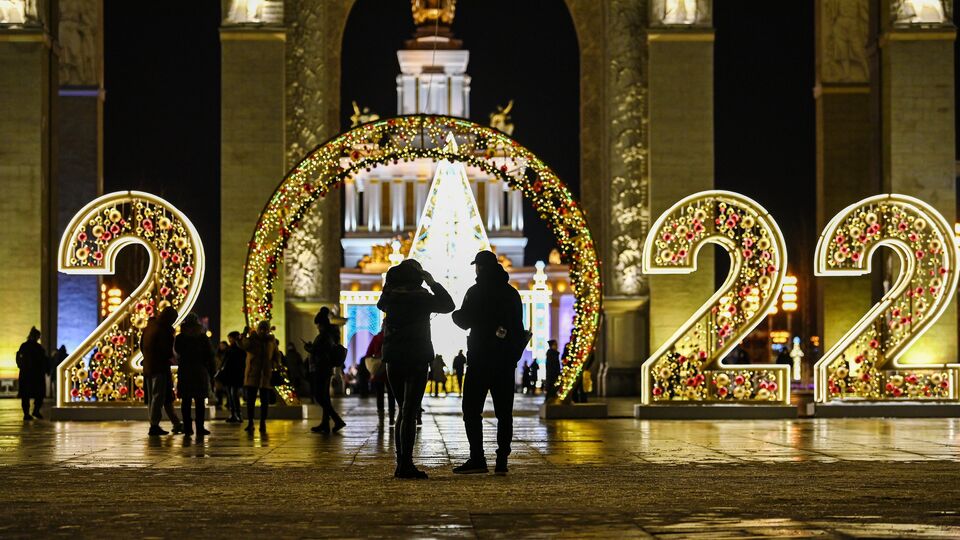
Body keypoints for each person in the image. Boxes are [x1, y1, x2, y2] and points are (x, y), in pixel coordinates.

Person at [377, 259, 454, 479]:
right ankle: (405, 465)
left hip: (393, 358)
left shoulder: (390, 299)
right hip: (416, 357)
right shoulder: (422, 299)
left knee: (403, 410)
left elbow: (380, 303)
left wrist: (388, 285)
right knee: (409, 412)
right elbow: (448, 305)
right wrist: (432, 282)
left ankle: (401, 463)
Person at [452, 250, 526, 476]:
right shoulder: (511, 293)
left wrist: (456, 315)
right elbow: (518, 327)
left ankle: (477, 458)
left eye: (477, 266)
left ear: (480, 268)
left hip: (480, 359)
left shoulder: (476, 292)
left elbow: (464, 320)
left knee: (471, 410)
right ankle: (502, 459)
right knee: (505, 413)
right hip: (504, 362)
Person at [141, 308, 184, 436]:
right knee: (158, 396)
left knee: (155, 397)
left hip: (149, 366)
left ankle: (170, 423)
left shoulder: (149, 328)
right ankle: (154, 425)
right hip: (159, 367)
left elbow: (141, 346)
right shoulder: (164, 330)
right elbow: (167, 351)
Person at [306, 307, 346, 434]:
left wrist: (309, 348)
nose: (317, 327)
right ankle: (325, 424)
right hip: (326, 368)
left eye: (318, 325)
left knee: (319, 396)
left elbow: (320, 351)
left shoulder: (324, 336)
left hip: (321, 368)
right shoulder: (330, 334)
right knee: (325, 397)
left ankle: (336, 419)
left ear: (321, 324)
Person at [174, 313, 215, 437]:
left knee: (185, 401)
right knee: (200, 401)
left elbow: (178, 351)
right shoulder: (203, 338)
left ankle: (187, 427)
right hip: (199, 371)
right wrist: (212, 372)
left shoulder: (180, 337)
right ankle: (200, 427)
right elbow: (210, 355)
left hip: (185, 371)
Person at [241, 321, 281, 434]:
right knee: (250, 401)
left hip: (266, 375)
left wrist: (275, 363)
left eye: (265, 329)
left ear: (268, 330)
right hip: (253, 374)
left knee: (264, 401)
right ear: (258, 329)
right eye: (261, 328)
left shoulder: (271, 341)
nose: (263, 331)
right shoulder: (252, 340)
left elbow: (277, 354)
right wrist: (244, 334)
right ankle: (250, 422)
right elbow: (243, 345)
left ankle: (263, 422)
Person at [364, 330, 394, 426]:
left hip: (379, 371)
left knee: (380, 396)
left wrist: (376, 358)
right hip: (390, 370)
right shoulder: (393, 337)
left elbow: (368, 353)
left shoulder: (377, 338)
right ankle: (392, 418)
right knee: (392, 395)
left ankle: (381, 419)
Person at [17, 327, 47, 421]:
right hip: (31, 375)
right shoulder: (34, 347)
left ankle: (32, 412)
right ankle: (31, 412)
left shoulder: (29, 346)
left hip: (30, 374)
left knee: (33, 395)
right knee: (32, 395)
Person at [217, 331, 246, 423]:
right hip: (229, 375)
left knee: (234, 395)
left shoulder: (238, 349)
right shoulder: (232, 349)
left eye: (230, 338)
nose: (229, 340)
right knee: (230, 396)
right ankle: (234, 414)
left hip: (235, 375)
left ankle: (237, 414)